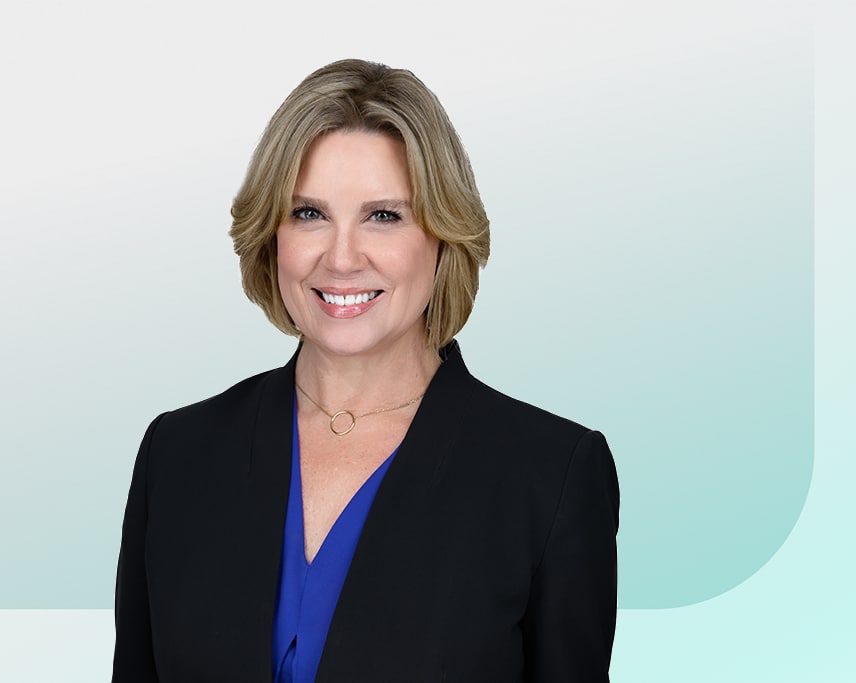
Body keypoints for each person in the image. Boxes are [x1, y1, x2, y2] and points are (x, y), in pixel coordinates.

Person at [112, 58, 620, 683]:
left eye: (384, 215)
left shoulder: (551, 478)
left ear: (443, 236)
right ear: (271, 236)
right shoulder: (178, 455)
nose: (342, 258)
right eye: (309, 213)